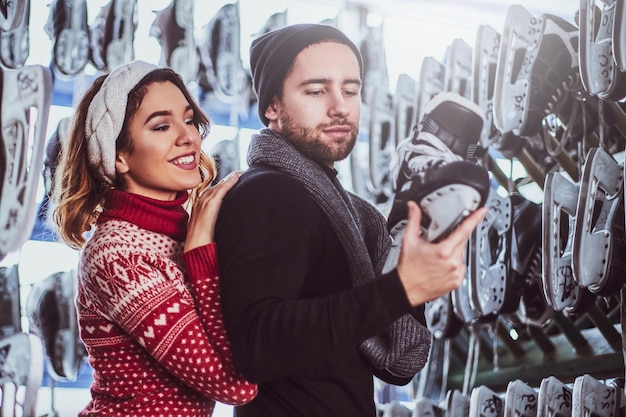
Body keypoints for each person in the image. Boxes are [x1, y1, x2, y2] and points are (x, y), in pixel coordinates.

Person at [214, 23, 486, 416]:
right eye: (316, 90)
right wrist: (400, 289)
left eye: (350, 90)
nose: (339, 106)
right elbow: (258, 346)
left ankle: (409, 204)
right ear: (272, 106)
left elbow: (397, 365)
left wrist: (404, 262)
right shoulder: (269, 194)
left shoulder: (354, 216)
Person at [52, 60, 257, 416]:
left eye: (189, 119)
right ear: (119, 156)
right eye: (162, 126)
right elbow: (233, 384)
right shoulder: (116, 255)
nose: (188, 136)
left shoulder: (185, 230)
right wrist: (200, 255)